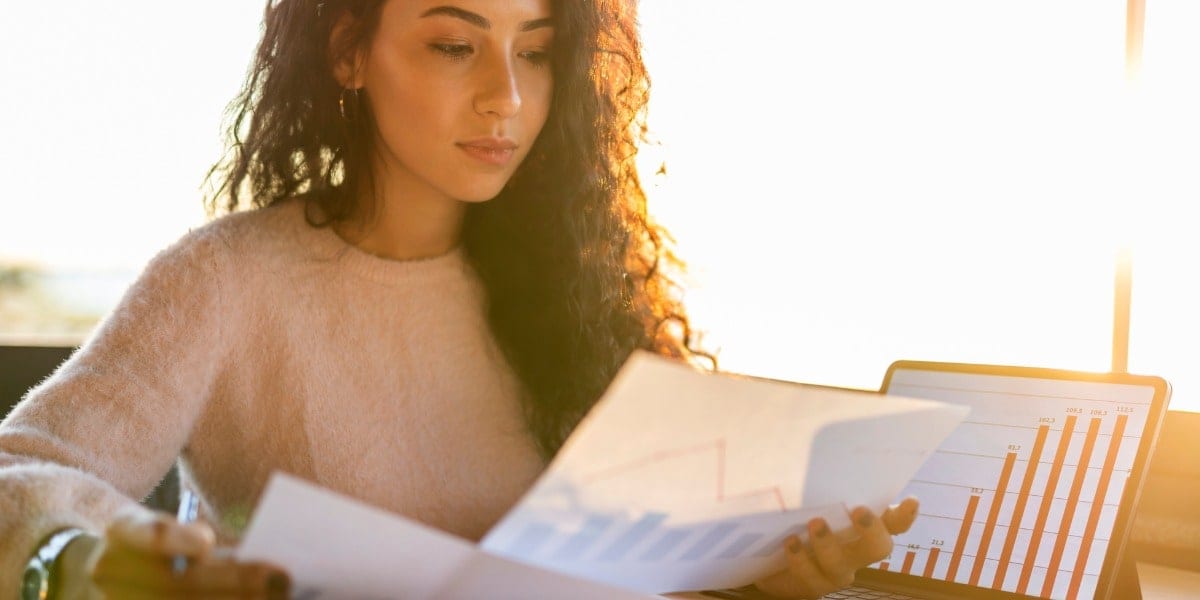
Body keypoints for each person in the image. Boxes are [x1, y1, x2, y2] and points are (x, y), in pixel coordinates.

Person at [0, 0, 918, 598]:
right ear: (348, 53)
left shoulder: (580, 289)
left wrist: (767, 584)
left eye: (538, 51)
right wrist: (84, 560)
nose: (506, 98)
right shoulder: (224, 282)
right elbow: (21, 475)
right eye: (453, 46)